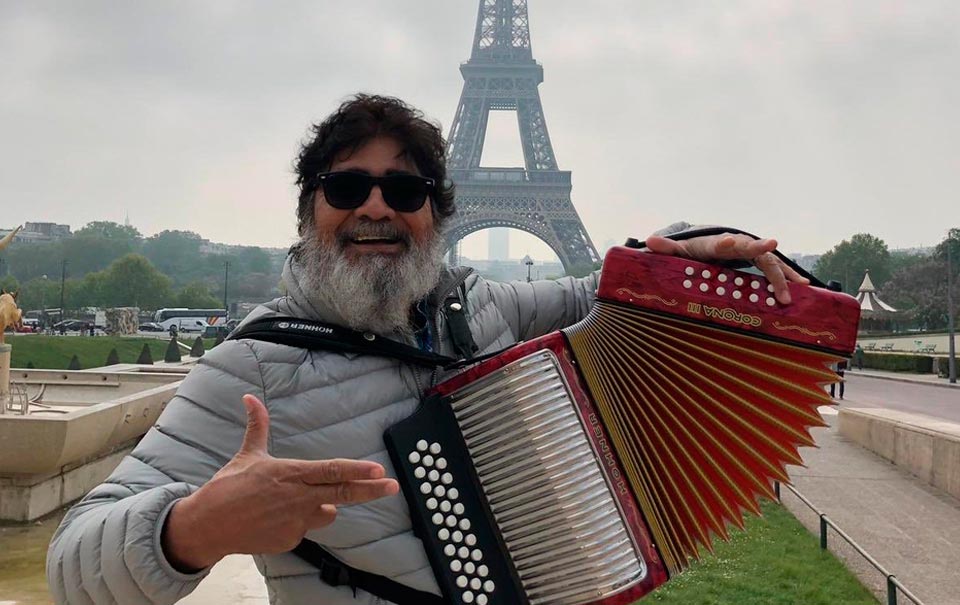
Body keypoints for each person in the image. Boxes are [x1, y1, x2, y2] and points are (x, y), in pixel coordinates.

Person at [47, 94, 809, 605]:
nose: (375, 206)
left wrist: (684, 246)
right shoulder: (249, 371)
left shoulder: (490, 308)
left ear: (436, 216)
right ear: (311, 211)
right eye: (347, 188)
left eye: (404, 192)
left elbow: (604, 290)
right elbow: (70, 565)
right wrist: (192, 528)